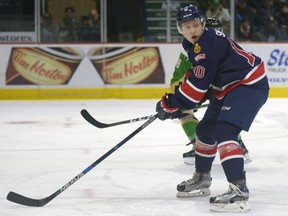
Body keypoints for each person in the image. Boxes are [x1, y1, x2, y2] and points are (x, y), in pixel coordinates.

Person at [156, 4, 269, 212]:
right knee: (205, 131)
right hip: (227, 86)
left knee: (225, 131)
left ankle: (239, 190)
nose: (192, 30)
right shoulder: (195, 44)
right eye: (187, 27)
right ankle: (202, 178)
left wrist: (170, 103)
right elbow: (202, 79)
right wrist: (180, 101)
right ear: (180, 28)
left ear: (203, 24)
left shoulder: (205, 43)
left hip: (248, 84)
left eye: (196, 25)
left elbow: (195, 88)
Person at [170, 17, 251, 165]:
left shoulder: (227, 47)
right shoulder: (188, 53)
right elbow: (177, 80)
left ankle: (238, 145)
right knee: (183, 110)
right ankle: (198, 145)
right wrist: (174, 101)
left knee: (225, 115)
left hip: (222, 86)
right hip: (199, 88)